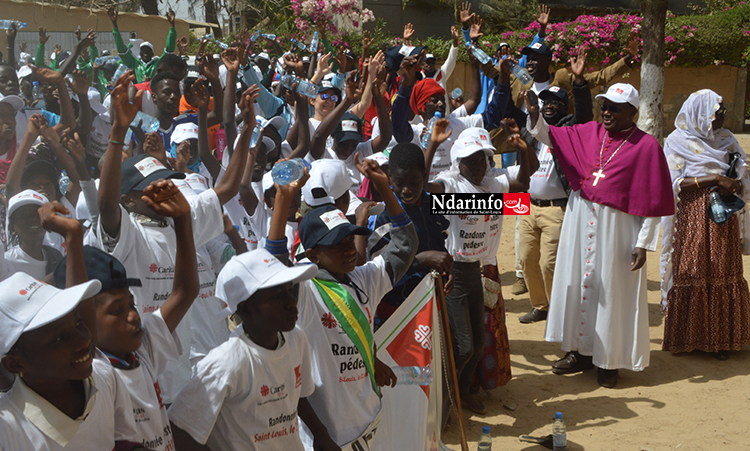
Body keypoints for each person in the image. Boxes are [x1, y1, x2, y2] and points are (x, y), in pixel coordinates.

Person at [265, 153, 418, 450]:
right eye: (337, 244)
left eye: (350, 240)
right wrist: (284, 199)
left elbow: (406, 244)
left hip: (369, 420)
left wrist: (385, 187)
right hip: (327, 435)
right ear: (312, 255)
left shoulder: (364, 278)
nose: (349, 250)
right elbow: (273, 265)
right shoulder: (303, 290)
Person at [528, 83, 675, 388]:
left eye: (615, 108)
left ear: (632, 112)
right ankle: (579, 352)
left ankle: (608, 361)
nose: (606, 112)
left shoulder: (646, 147)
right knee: (580, 284)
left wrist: (642, 243)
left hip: (618, 227)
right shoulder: (589, 132)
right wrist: (533, 114)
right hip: (581, 217)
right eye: (604, 106)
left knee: (612, 292)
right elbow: (549, 136)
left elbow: (654, 200)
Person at [54, 176, 198, 451]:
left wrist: (182, 220)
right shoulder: (93, 372)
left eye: (131, 305)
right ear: (81, 320)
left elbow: (184, 292)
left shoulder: (142, 349)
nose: (133, 316)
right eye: (116, 311)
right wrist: (73, 239)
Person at [168, 249, 338, 451]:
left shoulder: (295, 338)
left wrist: (321, 434)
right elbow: (178, 429)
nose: (291, 302)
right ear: (245, 309)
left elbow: (296, 396)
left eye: (290, 290)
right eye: (277, 296)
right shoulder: (226, 363)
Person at [426, 123, 535, 414]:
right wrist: (433, 146)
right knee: (461, 346)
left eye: (482, 160)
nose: (476, 167)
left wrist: (523, 151)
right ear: (458, 162)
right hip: (453, 274)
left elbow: (523, 187)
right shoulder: (450, 185)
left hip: (479, 270)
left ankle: (461, 393)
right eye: (470, 161)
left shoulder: (494, 184)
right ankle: (446, 397)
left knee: (477, 343)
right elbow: (424, 189)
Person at [660, 89, 750, 360]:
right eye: (715, 115)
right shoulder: (677, 141)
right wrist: (713, 180)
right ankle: (687, 336)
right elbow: (673, 183)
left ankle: (721, 338)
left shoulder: (726, 139)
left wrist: (733, 183)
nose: (720, 120)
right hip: (692, 217)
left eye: (721, 114)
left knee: (721, 270)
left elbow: (742, 170)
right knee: (692, 268)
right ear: (700, 115)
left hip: (723, 216)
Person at [518, 53, 593, 324]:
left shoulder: (571, 130)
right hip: (527, 205)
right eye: (546, 100)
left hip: (557, 209)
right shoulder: (532, 130)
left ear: (565, 107)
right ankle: (541, 306)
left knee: (549, 264)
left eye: (556, 102)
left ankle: (558, 310)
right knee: (527, 260)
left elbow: (585, 113)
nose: (549, 105)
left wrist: (580, 81)